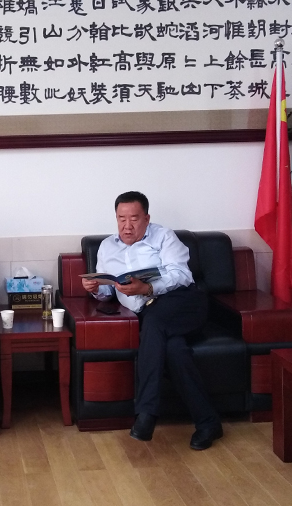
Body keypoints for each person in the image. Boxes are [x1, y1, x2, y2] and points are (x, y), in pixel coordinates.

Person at [82, 191, 223, 450]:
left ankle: (146, 413)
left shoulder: (164, 237)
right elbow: (107, 291)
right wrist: (94, 288)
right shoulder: (107, 247)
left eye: (134, 219)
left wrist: (147, 288)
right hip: (150, 313)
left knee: (155, 323)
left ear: (146, 219)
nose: (127, 226)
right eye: (121, 219)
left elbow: (182, 275)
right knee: (174, 350)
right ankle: (208, 422)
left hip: (183, 302)